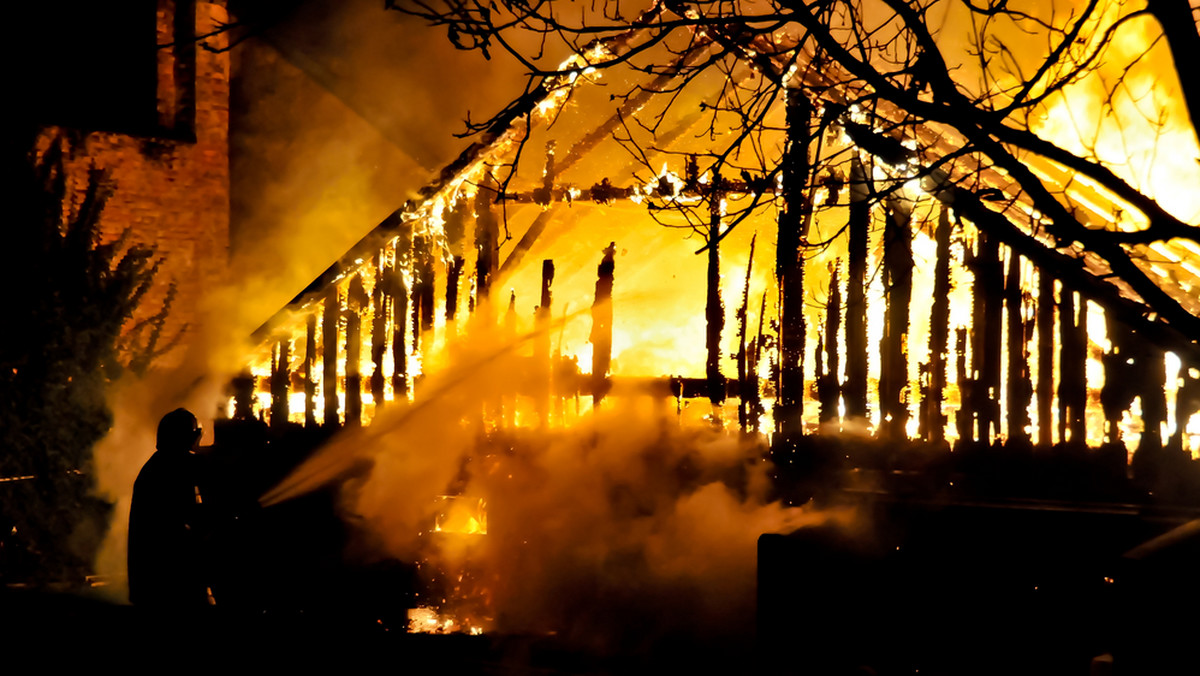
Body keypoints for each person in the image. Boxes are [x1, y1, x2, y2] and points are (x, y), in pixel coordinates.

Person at [127, 408, 214, 608]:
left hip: (153, 581)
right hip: (170, 579)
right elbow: (189, 517)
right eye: (193, 431)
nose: (197, 436)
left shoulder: (158, 465)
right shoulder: (174, 467)